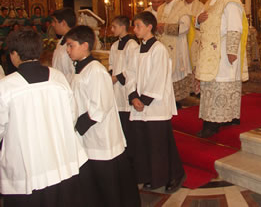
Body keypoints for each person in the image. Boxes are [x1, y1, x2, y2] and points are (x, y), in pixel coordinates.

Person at [0, 30, 90, 207]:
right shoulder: (58, 77)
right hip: (59, 158)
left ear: (15, 54)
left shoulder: (6, 86)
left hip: (28, 166)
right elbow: (72, 114)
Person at [65, 25, 141, 207]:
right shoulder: (80, 68)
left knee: (109, 186)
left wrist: (76, 129)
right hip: (89, 137)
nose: (67, 50)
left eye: (70, 45)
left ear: (84, 46)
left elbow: (99, 106)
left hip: (101, 137)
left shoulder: (96, 71)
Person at [129, 11, 186, 192]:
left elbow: (159, 77)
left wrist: (144, 99)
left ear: (149, 27)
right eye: (135, 26)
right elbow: (130, 74)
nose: (135, 29)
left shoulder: (158, 49)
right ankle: (153, 176)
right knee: (146, 142)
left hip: (155, 104)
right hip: (140, 104)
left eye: (138, 26)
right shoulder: (136, 50)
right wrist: (132, 96)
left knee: (161, 143)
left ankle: (174, 175)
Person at [195, 0, 248, 137]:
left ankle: (212, 124)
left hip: (223, 50)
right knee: (211, 86)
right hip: (210, 51)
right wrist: (198, 20)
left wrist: (232, 51)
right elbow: (202, 24)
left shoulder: (230, 0)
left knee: (221, 85)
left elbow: (235, 26)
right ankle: (222, 118)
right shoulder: (210, 1)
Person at [156, 0, 193, 106]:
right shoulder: (160, 8)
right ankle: (166, 102)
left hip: (176, 46)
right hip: (162, 46)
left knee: (174, 73)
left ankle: (176, 103)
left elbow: (185, 27)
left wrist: (165, 27)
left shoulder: (182, 6)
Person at [109, 15, 139, 153]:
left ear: (123, 27)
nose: (111, 29)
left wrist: (117, 78)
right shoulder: (115, 45)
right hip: (115, 87)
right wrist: (111, 75)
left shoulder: (132, 44)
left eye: (114, 26)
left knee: (127, 122)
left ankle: (130, 149)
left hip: (125, 86)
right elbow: (111, 64)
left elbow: (132, 67)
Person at [183, 0, 204, 95]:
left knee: (195, 64)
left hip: (195, 39)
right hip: (182, 39)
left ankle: (196, 90)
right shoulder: (179, 6)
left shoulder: (200, 6)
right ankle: (186, 89)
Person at [51, 8, 76, 83]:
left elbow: (74, 71)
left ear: (63, 23)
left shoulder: (75, 43)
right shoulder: (61, 41)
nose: (52, 24)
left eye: (55, 22)